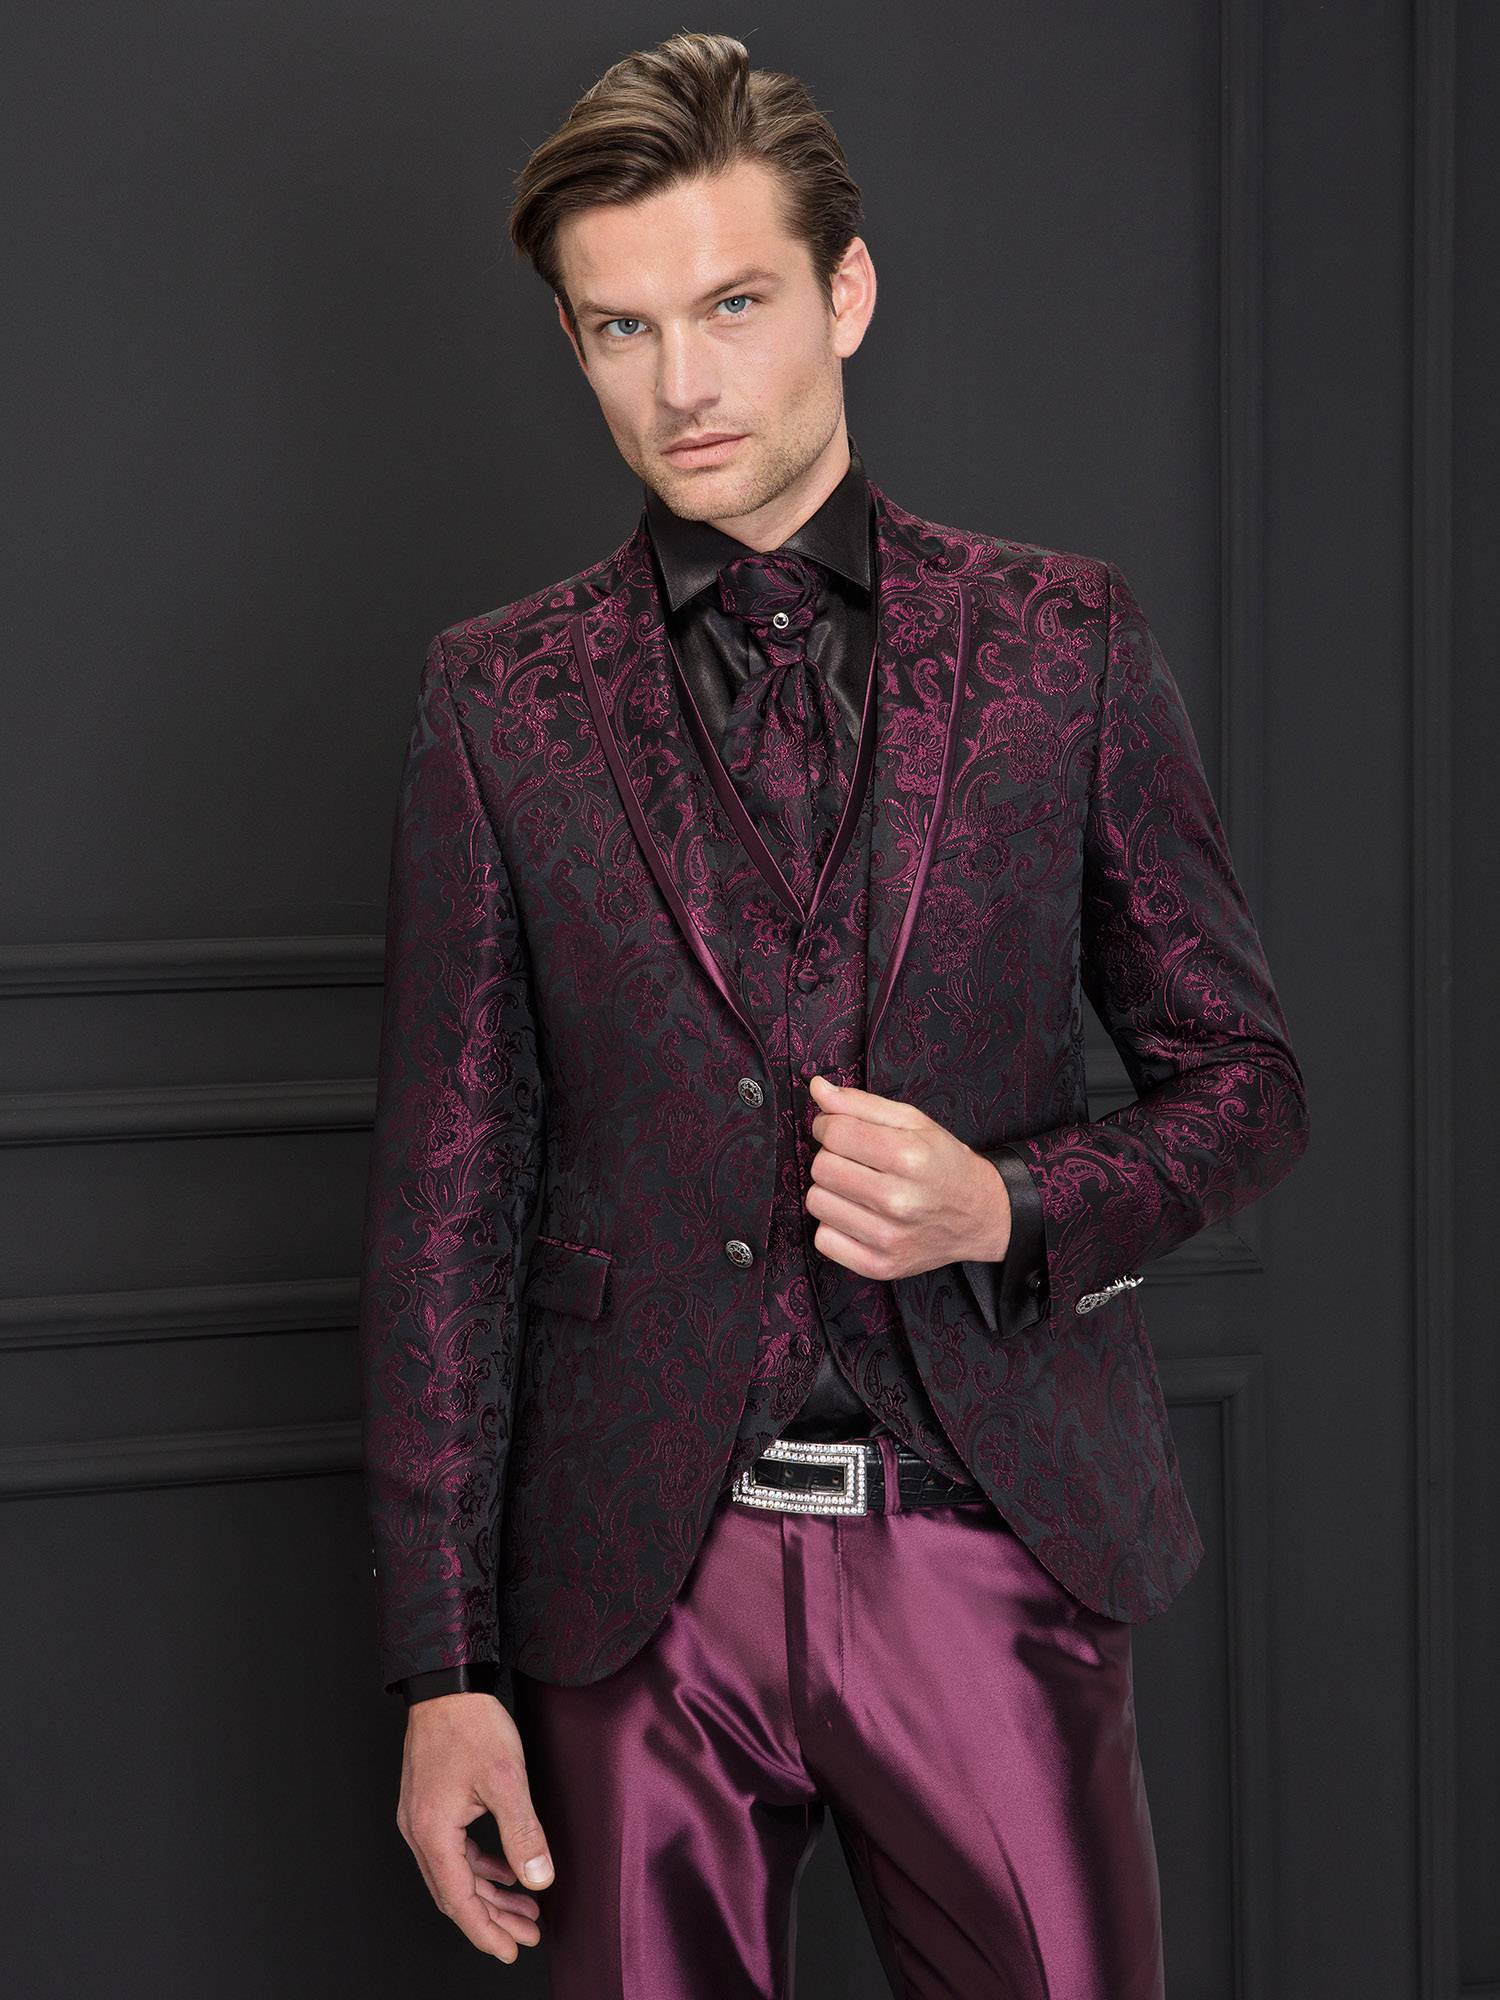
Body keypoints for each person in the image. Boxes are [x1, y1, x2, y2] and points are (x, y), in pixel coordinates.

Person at [356, 30, 1310, 1998]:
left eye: (732, 306)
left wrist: (1009, 1206)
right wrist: (442, 1670)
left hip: (988, 1536)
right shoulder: (496, 696)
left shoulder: (1061, 646)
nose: (682, 386)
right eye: (620, 329)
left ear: (845, 292)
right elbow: (448, 1204)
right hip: (638, 1589)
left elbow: (1245, 1079)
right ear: (573, 340)